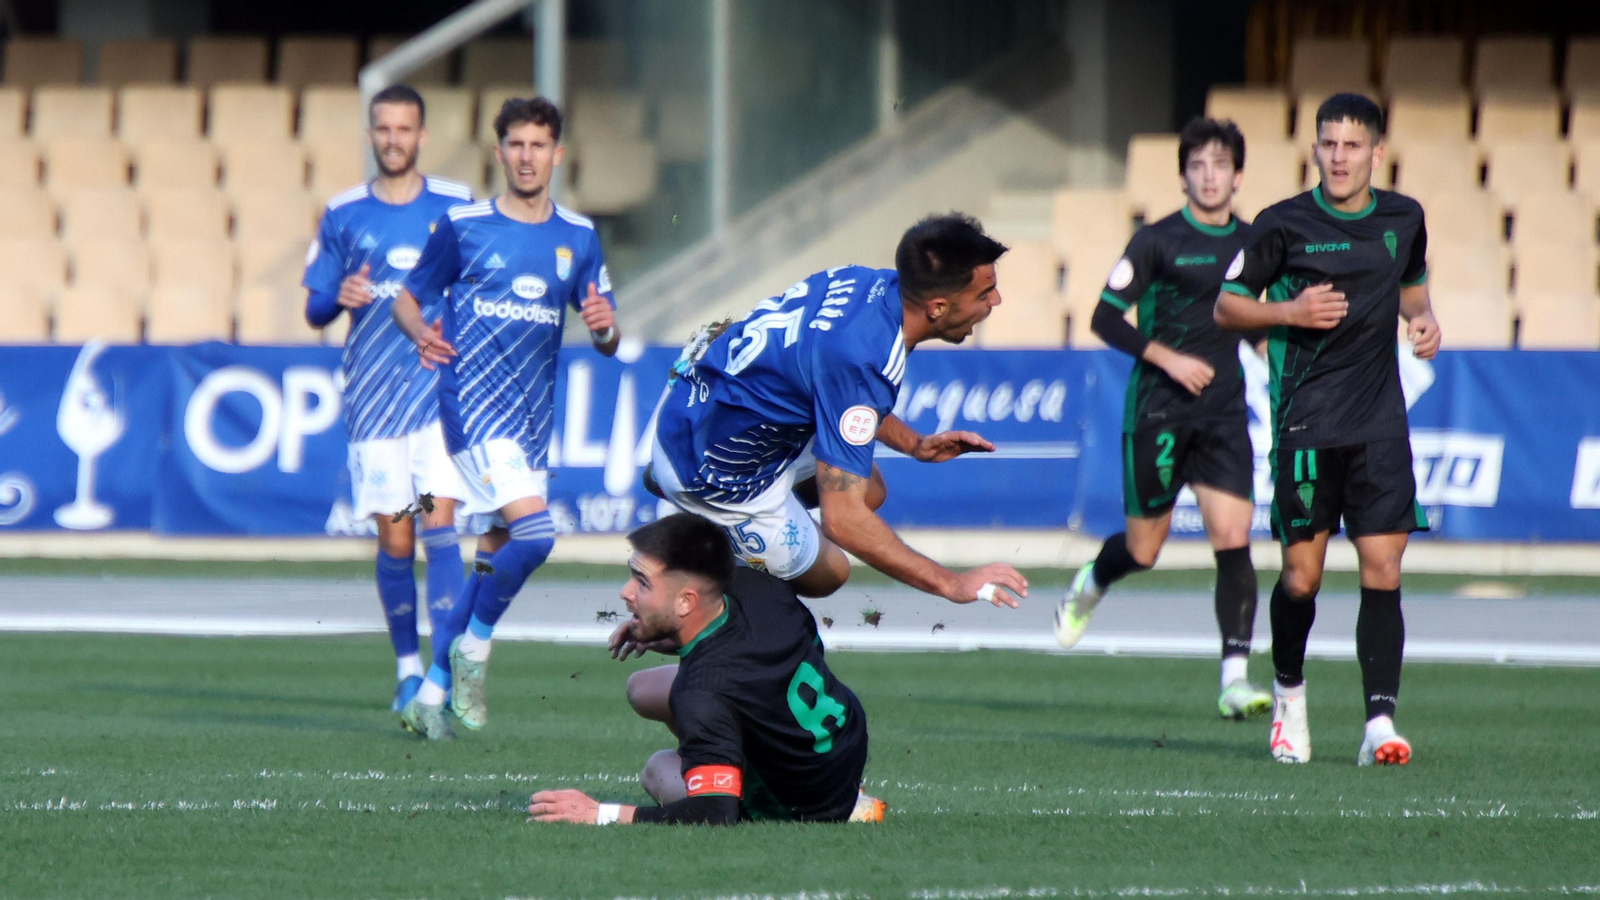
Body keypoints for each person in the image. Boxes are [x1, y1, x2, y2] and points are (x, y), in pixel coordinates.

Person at [1213, 92, 1441, 766]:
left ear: (1376, 152)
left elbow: (1415, 290)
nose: (1339, 157)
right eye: (1328, 144)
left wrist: (1422, 322)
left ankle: (1379, 724)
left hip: (1379, 425)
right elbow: (1227, 307)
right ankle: (1289, 698)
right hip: (1306, 425)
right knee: (1302, 580)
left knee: (1383, 568)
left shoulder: (1405, 218)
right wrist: (1291, 312)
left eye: (1352, 145)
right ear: (1314, 150)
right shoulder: (1282, 224)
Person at [647, 213, 1030, 607]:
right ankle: (703, 538)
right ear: (936, 307)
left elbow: (839, 390)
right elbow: (843, 521)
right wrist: (952, 583)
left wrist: (914, 444)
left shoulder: (867, 282)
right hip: (713, 469)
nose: (995, 301)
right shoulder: (864, 359)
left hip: (697, 401)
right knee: (831, 570)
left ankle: (710, 504)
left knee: (871, 489)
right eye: (984, 294)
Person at [390, 96, 621, 740]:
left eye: (538, 145)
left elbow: (607, 330)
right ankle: (475, 651)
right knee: (538, 537)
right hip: (473, 408)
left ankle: (431, 694)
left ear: (557, 154)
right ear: (499, 153)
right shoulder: (463, 226)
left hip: (531, 422)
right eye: (515, 144)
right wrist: (418, 333)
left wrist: (605, 330)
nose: (526, 156)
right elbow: (407, 302)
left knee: (494, 558)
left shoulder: (578, 237)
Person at [1054, 117, 1272, 721]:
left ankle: (1234, 679)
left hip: (1224, 413)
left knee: (1233, 539)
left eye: (1220, 165)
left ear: (1237, 175)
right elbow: (1104, 317)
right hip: (1159, 410)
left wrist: (1274, 364)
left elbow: (1257, 324)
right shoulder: (1155, 240)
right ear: (1182, 176)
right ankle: (1091, 583)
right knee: (1144, 550)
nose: (1209, 176)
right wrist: (1167, 358)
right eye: (1198, 165)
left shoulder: (1257, 244)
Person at [526, 513, 885, 825]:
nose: (625, 592)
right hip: (843, 741)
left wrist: (598, 813)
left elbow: (714, 813)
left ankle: (750, 778)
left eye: (642, 582)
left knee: (658, 770)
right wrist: (661, 634)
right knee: (642, 689)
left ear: (686, 602)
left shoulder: (702, 691)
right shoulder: (760, 588)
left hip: (808, 804)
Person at [302, 84, 473, 714]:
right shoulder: (344, 213)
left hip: (439, 402)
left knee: (440, 526)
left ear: (421, 136)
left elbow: (483, 281)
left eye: (404, 129)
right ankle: (406, 669)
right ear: (371, 135)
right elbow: (316, 307)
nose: (394, 139)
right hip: (375, 407)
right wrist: (338, 297)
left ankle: (443, 675)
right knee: (396, 543)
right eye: (383, 129)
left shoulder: (457, 207)